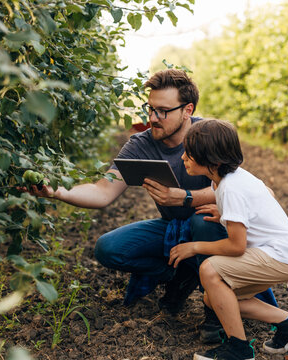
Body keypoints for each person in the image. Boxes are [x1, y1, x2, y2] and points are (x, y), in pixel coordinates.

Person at [25, 69, 228, 319]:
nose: (153, 117)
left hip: (214, 229)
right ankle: (178, 274)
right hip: (172, 227)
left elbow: (250, 191)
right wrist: (55, 191)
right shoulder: (141, 144)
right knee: (108, 248)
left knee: (201, 220)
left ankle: (216, 312)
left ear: (188, 110)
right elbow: (102, 191)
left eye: (163, 111)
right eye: (150, 108)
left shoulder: (211, 136)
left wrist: (187, 198)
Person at [169, 119, 288, 360]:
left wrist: (194, 247)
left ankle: (238, 349)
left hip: (281, 256)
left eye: (190, 154)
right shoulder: (227, 179)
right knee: (215, 298)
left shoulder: (231, 187)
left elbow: (236, 247)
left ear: (212, 160)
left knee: (210, 269)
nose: (184, 157)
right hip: (287, 254)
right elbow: (267, 195)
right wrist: (229, 216)